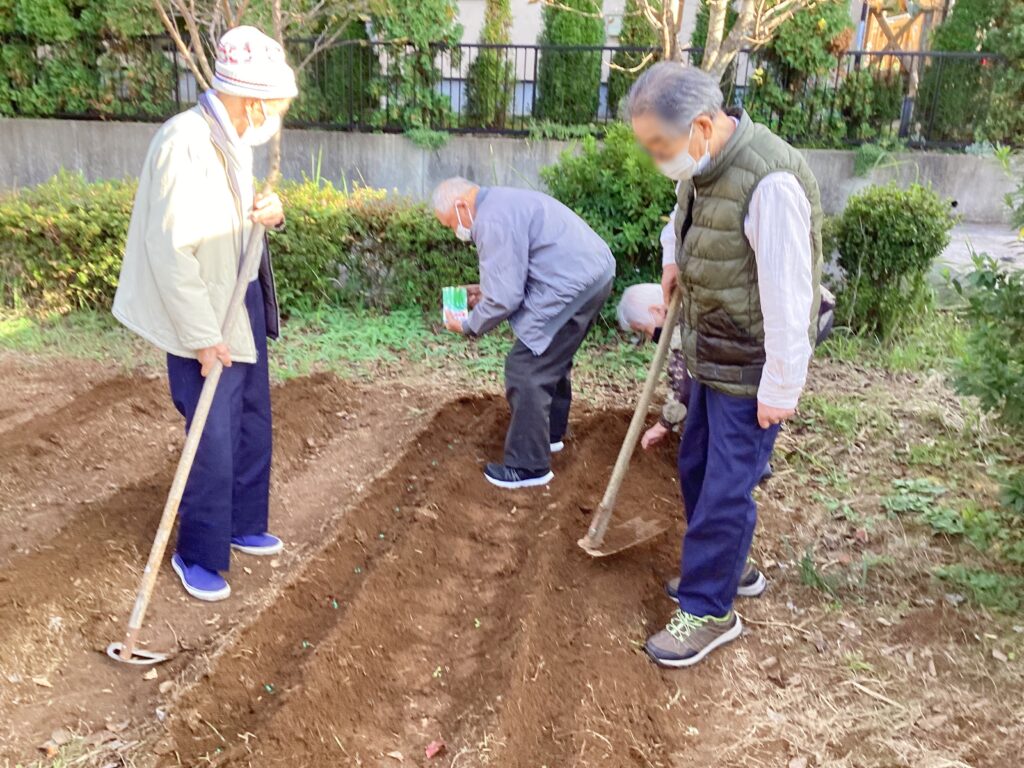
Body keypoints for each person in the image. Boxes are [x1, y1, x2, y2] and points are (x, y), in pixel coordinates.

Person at [626, 62, 825, 667]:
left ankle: (709, 610)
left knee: (723, 491)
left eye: (659, 145)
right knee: (696, 467)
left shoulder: (770, 183)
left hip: (752, 365)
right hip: (711, 352)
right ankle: (730, 569)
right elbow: (682, 219)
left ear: (703, 126)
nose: (657, 158)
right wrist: (672, 259)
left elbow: (790, 296)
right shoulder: (703, 168)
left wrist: (782, 385)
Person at [112, 26, 297, 602]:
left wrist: (270, 213)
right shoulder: (184, 142)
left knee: (250, 420)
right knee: (211, 434)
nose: (275, 117)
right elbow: (170, 251)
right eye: (274, 104)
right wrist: (200, 336)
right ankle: (197, 552)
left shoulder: (232, 138)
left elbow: (231, 219)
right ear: (252, 98)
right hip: (200, 312)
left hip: (237, 297)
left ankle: (242, 524)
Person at [432, 178, 616, 489]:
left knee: (526, 367)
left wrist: (467, 324)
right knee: (551, 355)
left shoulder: (490, 220)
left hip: (571, 284)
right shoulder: (503, 203)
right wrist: (485, 293)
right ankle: (550, 435)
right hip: (593, 273)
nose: (457, 232)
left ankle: (528, 466)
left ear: (462, 205)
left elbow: (505, 297)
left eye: (451, 224)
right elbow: (517, 273)